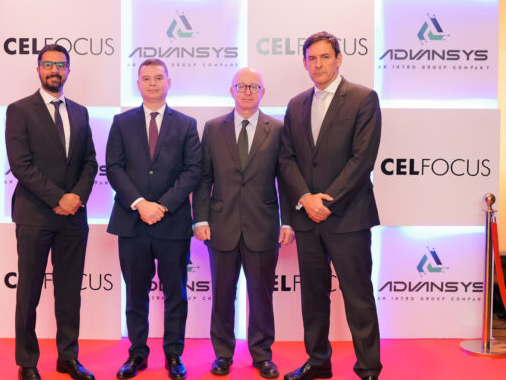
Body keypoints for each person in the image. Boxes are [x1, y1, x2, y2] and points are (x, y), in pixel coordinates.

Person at [279, 32, 383, 380]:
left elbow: (362, 159)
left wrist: (328, 201)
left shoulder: (363, 98)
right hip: (307, 218)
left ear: (338, 59)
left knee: (358, 297)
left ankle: (368, 368)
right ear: (304, 63)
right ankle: (318, 361)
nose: (318, 64)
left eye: (325, 57)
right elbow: (287, 159)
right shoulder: (296, 104)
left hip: (348, 217)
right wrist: (305, 199)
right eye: (311, 58)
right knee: (313, 296)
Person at [193, 68, 294, 378]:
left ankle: (262, 355)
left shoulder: (278, 129)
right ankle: (222, 354)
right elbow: (203, 178)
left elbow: (286, 180)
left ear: (263, 92)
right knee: (222, 296)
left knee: (261, 296)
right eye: (241, 86)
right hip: (220, 226)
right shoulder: (213, 128)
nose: (247, 91)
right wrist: (200, 218)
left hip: (263, 226)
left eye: (254, 87)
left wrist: (287, 222)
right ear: (231, 90)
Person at [5, 43, 98, 380]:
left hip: (73, 218)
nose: (54, 70)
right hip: (34, 215)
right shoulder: (19, 110)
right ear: (38, 69)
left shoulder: (80, 112)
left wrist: (76, 198)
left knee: (69, 291)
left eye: (60, 65)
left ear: (68, 70)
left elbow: (90, 162)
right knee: (28, 291)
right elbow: (21, 165)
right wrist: (59, 198)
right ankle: (27, 362)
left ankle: (68, 357)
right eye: (48, 64)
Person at [106, 58, 202, 380]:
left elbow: (192, 170)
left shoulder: (186, 124)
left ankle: (174, 355)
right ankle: (137, 354)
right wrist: (139, 204)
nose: (152, 83)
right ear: (138, 84)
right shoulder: (121, 122)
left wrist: (161, 206)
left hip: (172, 223)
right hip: (131, 222)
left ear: (169, 83)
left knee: (176, 294)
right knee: (135, 294)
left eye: (158, 77)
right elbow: (114, 167)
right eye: (146, 78)